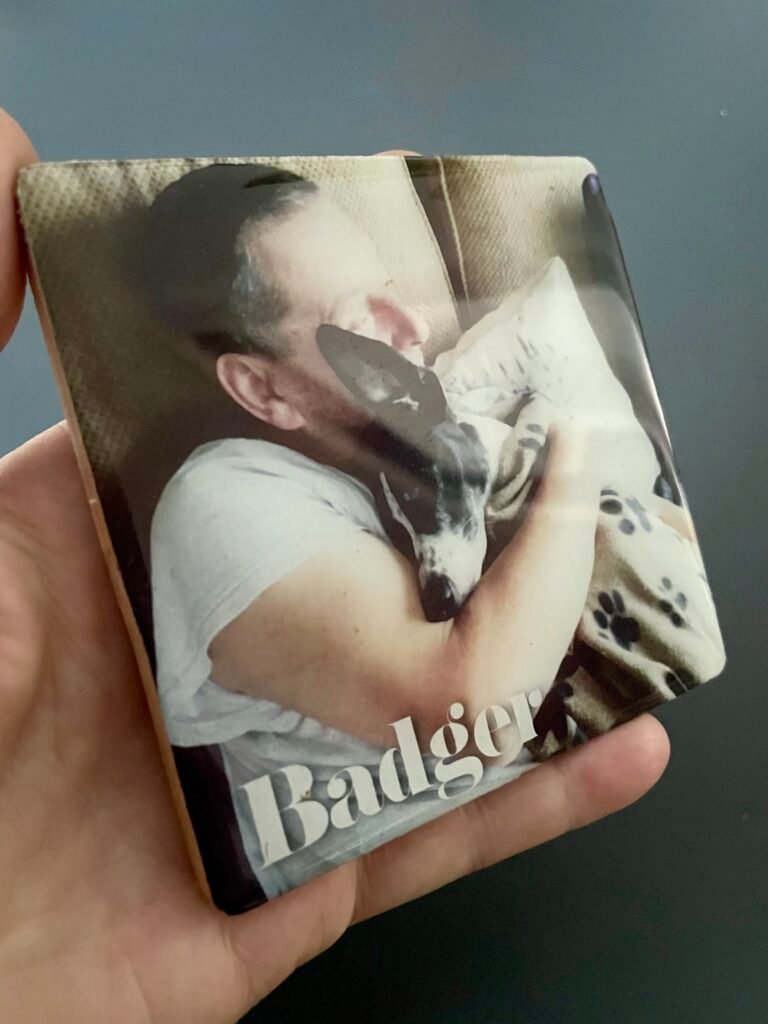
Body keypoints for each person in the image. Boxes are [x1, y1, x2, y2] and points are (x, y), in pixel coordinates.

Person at [0, 108, 669, 1023]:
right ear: (261, 387)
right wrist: (577, 447)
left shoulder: (401, 446)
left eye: (393, 290)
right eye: (361, 318)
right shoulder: (220, 499)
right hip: (350, 928)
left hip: (490, 855)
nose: (412, 325)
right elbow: (471, 711)